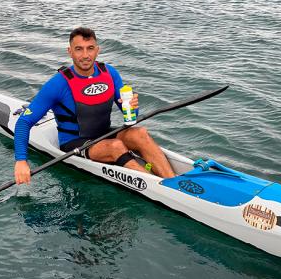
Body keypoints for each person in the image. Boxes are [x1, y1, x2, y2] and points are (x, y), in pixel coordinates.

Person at [14, 27, 175, 185]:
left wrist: (132, 107)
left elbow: (129, 114)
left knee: (140, 133)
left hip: (103, 134)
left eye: (90, 48)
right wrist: (21, 160)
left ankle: (173, 181)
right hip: (74, 143)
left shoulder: (109, 73)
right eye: (79, 49)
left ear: (97, 50)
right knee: (116, 147)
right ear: (70, 51)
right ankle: (160, 188)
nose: (85, 55)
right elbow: (24, 122)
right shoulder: (58, 83)